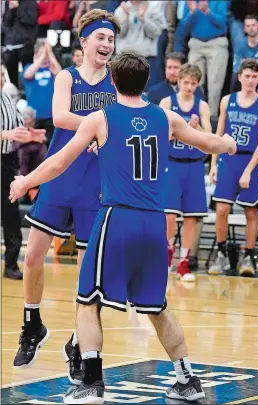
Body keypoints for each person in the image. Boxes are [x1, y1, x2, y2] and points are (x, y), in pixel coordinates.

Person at [9, 51, 237, 404]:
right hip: (153, 223)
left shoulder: (101, 118)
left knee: (87, 301)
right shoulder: (165, 117)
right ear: (147, 83)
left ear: (113, 81)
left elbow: (58, 163)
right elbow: (209, 143)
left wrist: (25, 182)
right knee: (156, 306)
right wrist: (229, 144)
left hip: (116, 218)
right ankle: (187, 379)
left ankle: (91, 383)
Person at [12, 9, 120, 386]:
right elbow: (59, 117)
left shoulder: (118, 81)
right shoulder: (66, 77)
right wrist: (101, 125)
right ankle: (32, 323)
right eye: (101, 38)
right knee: (34, 255)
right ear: (85, 41)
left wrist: (104, 132)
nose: (106, 44)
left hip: (98, 184)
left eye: (111, 39)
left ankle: (78, 341)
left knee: (89, 275)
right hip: (61, 173)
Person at [209, 59, 258, 277]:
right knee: (221, 209)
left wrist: (248, 170)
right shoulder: (228, 101)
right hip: (228, 159)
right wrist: (213, 164)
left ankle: (249, 255)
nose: (250, 80)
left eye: (254, 77)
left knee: (251, 211)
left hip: (250, 161)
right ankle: (221, 253)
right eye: (247, 76)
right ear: (239, 77)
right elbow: (218, 134)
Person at [160, 63, 211, 281]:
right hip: (172, 163)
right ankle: (168, 252)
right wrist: (176, 132)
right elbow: (158, 132)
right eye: (186, 82)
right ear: (179, 81)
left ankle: (184, 262)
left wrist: (195, 127)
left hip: (194, 165)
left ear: (197, 84)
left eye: (193, 83)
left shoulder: (202, 106)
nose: (189, 87)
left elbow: (208, 135)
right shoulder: (167, 102)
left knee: (191, 218)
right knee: (169, 216)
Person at [1, 63, 45, 280]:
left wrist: (32, 136)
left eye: (2, 74)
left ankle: (10, 264)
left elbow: (18, 133)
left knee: (10, 213)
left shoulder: (8, 98)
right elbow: (9, 134)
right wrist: (7, 135)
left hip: (7, 162)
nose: (1, 78)